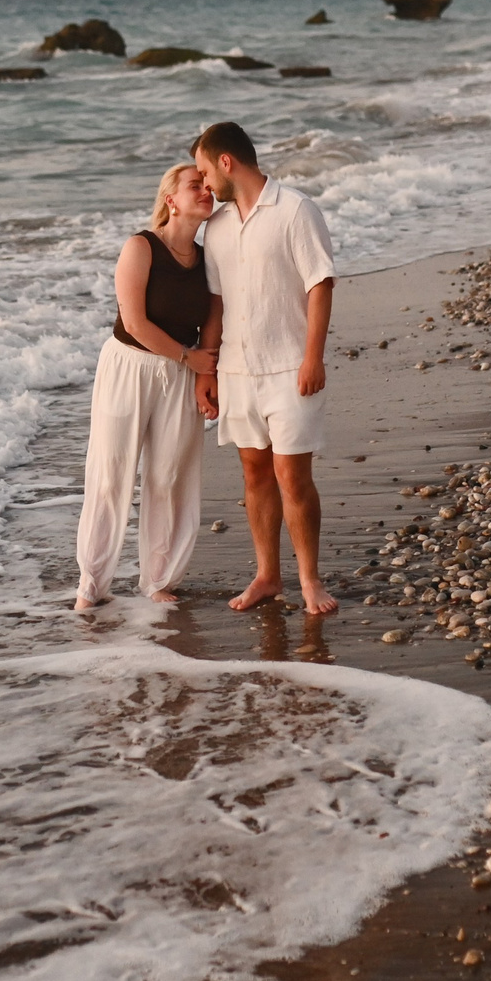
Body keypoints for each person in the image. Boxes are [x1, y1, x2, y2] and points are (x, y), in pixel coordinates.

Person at [190, 121, 339, 615]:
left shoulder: (295, 210)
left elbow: (320, 284)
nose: (203, 182)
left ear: (226, 161)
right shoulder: (216, 227)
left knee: (292, 477)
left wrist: (313, 357)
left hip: (289, 367)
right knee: (255, 474)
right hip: (237, 370)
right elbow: (216, 303)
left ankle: (310, 580)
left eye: (204, 171)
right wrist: (208, 370)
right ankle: (267, 576)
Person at [73, 163, 219, 611]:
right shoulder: (141, 247)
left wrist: (204, 372)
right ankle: (91, 584)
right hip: (129, 366)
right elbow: (134, 322)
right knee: (111, 473)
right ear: (171, 200)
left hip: (181, 374)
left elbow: (216, 316)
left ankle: (158, 579)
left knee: (170, 476)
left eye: (208, 185)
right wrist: (189, 358)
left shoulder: (210, 258)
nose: (206, 191)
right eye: (195, 186)